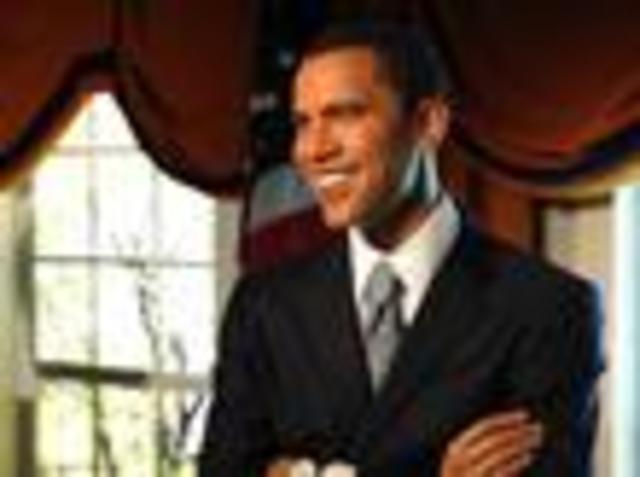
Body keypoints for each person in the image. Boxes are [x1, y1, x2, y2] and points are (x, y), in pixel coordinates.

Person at [197, 21, 603, 477]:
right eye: (303, 122)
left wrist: (302, 471)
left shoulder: (547, 308)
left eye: (345, 114)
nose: (313, 150)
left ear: (428, 123)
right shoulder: (264, 306)